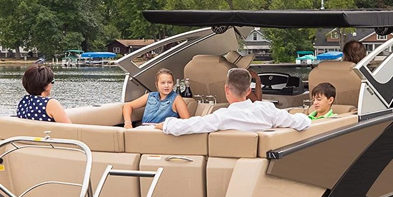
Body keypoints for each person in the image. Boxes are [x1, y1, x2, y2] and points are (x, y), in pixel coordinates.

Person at [156, 68, 310, 135]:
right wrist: (308, 116)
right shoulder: (267, 110)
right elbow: (302, 122)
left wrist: (166, 124)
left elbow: (190, 125)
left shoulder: (221, 117)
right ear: (249, 91)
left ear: (226, 89)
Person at [123, 68, 191, 128]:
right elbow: (128, 106)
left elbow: (187, 122)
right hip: (144, 130)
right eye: (163, 83)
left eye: (169, 82)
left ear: (173, 84)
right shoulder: (150, 96)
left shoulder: (177, 99)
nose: (166, 85)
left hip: (161, 132)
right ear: (157, 84)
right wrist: (128, 122)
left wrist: (168, 125)